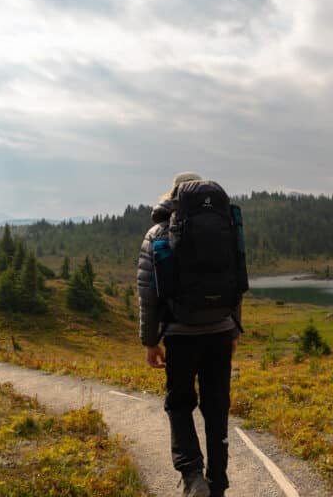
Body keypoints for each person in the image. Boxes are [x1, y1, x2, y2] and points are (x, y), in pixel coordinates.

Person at [138, 172, 247, 497]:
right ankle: (218, 483)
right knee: (217, 407)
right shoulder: (227, 227)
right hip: (221, 330)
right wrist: (234, 330)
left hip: (180, 334)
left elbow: (148, 294)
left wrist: (150, 341)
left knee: (180, 403)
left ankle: (192, 474)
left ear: (172, 195)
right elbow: (237, 280)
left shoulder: (157, 232)